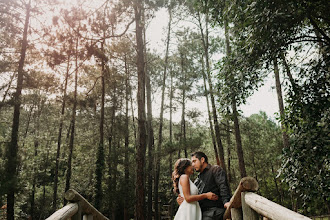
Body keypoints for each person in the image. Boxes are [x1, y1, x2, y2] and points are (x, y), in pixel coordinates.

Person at [177, 152, 232, 220]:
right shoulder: (197, 179)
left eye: (194, 161)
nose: (193, 165)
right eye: (192, 163)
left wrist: (226, 202)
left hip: (214, 211)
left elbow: (223, 187)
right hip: (200, 212)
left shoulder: (215, 169)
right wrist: (182, 200)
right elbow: (192, 196)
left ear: (202, 160)